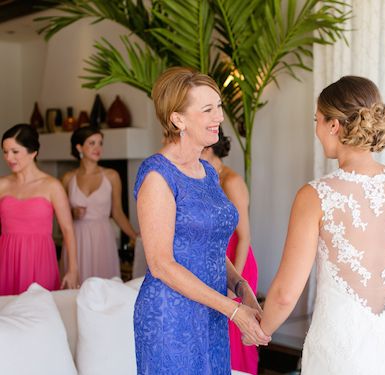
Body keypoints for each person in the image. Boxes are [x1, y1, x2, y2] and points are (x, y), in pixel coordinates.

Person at [257, 76, 385, 374]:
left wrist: (257, 331)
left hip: (341, 346)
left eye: (317, 119)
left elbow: (286, 292)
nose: (316, 129)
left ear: (333, 125)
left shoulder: (314, 195)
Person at [133, 67, 270, 375]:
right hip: (170, 318)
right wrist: (233, 309)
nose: (220, 117)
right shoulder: (157, 175)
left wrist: (239, 284)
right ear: (177, 119)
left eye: (219, 107)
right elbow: (161, 265)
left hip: (212, 312)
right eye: (208, 109)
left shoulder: (207, 173)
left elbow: (208, 247)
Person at [201, 127, 259, 375]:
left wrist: (237, 281)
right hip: (215, 258)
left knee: (236, 332)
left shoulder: (231, 181)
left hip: (238, 260)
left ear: (208, 145)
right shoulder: (203, 177)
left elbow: (245, 235)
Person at [0, 124, 79, 295]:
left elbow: (68, 230)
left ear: (33, 152)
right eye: (5, 152)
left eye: (15, 151)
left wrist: (72, 270)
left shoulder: (52, 186)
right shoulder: (2, 184)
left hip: (39, 260)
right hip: (6, 260)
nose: (9, 158)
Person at [61, 126, 139, 283]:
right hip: (77, 238)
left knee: (105, 287)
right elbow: (59, 217)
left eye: (100, 143)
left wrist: (136, 237)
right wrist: (72, 213)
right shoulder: (68, 178)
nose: (98, 148)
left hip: (103, 238)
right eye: (92, 143)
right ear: (79, 147)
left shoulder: (111, 176)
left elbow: (117, 212)